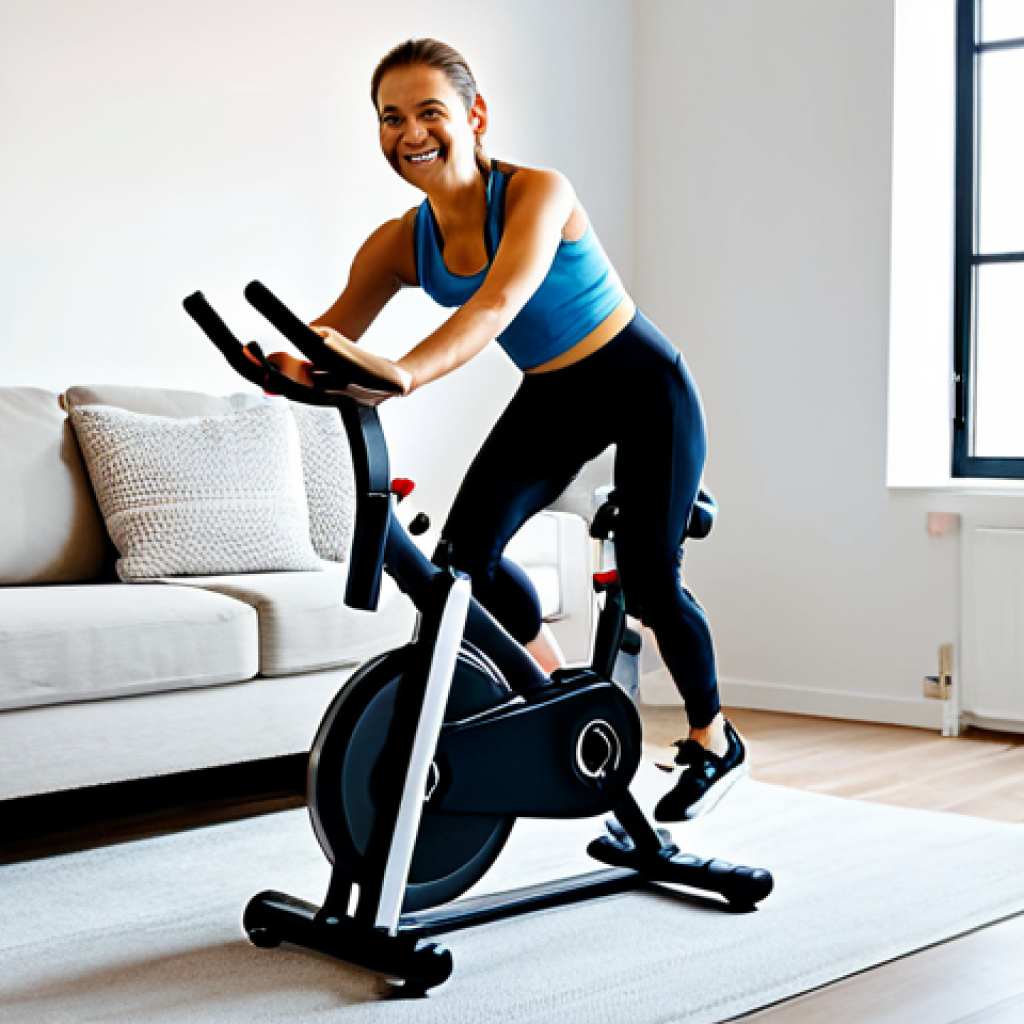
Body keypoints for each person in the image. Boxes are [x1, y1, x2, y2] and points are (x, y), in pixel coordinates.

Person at [267, 38, 746, 821]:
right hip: (556, 394)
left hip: (643, 384)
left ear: (475, 115)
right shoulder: (401, 242)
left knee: (652, 579)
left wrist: (407, 373)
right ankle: (555, 688)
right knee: (463, 565)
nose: (411, 133)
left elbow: (495, 306)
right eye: (392, 118)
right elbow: (330, 335)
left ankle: (712, 737)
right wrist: (278, 367)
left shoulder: (537, 194)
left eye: (430, 112)